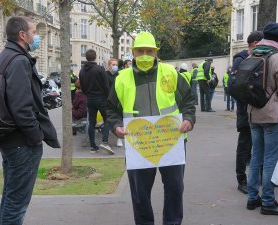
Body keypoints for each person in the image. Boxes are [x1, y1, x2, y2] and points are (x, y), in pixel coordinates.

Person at [107, 32, 195, 225]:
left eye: (149, 51)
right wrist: (116, 126)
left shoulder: (170, 72)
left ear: (156, 52)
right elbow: (111, 109)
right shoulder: (121, 78)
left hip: (172, 142)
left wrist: (188, 119)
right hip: (138, 144)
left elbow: (188, 100)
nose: (145, 55)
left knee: (174, 189)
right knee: (140, 194)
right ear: (133, 53)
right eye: (140, 51)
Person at [0, 16, 60, 225]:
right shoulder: (19, 60)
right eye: (33, 32)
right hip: (21, 142)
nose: (36, 36)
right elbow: (22, 108)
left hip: (7, 137)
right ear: (23, 35)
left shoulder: (4, 56)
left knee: (11, 199)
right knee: (16, 204)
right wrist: (35, 137)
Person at [246, 22, 278, 216]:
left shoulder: (254, 53)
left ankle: (252, 198)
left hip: (253, 113)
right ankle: (268, 202)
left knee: (256, 156)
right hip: (273, 116)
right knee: (270, 159)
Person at [230, 31, 263, 194]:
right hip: (245, 111)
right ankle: (241, 179)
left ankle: (261, 178)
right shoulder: (240, 59)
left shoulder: (262, 59)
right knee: (244, 145)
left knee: (259, 145)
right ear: (256, 44)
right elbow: (233, 87)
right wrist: (249, 100)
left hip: (260, 110)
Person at [79, 49, 114, 154]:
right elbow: (105, 85)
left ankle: (93, 146)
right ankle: (104, 141)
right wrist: (108, 98)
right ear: (95, 57)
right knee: (107, 119)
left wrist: (88, 94)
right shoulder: (99, 69)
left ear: (86, 57)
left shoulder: (82, 71)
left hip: (90, 99)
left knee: (91, 122)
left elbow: (82, 87)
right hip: (101, 98)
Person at [106, 58, 123, 147]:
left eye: (116, 64)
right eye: (113, 64)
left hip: (118, 101)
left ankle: (119, 139)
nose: (115, 66)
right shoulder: (105, 75)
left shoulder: (119, 75)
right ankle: (105, 140)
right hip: (108, 100)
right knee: (108, 120)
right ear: (109, 65)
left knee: (119, 121)